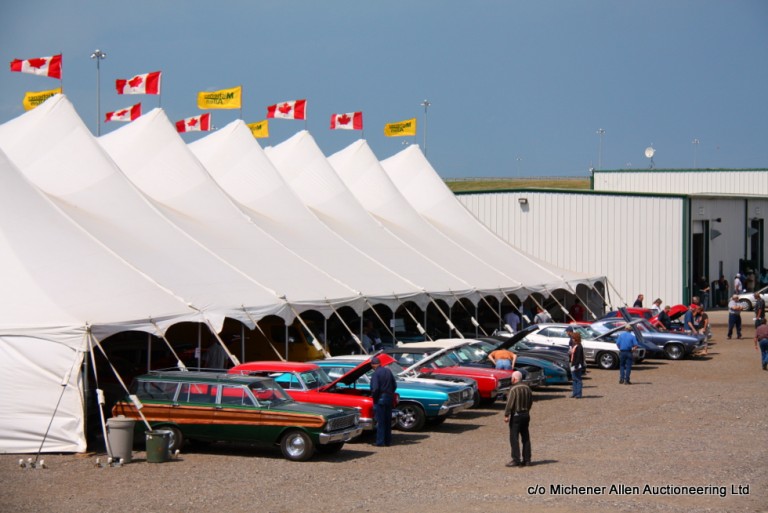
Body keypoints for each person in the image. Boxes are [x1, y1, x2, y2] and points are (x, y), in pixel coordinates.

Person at [503, 371, 532, 467]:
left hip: (516, 415)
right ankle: (527, 459)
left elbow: (510, 403)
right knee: (526, 437)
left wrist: (506, 414)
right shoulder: (527, 387)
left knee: (514, 438)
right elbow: (530, 401)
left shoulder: (513, 389)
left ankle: (516, 459)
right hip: (526, 414)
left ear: (514, 379)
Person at [370, 356, 397, 447]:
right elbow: (394, 385)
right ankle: (388, 441)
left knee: (380, 421)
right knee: (387, 421)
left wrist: (374, 397)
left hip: (380, 398)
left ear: (373, 365)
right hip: (389, 397)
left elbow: (375, 388)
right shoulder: (388, 371)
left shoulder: (376, 374)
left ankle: (380, 442)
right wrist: (390, 393)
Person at [569, 331, 585, 398]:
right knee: (574, 378)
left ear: (576, 339)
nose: (572, 339)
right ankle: (575, 392)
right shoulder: (575, 345)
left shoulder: (579, 346)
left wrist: (575, 366)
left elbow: (578, 357)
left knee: (578, 379)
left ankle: (579, 394)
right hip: (573, 364)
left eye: (573, 338)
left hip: (577, 365)